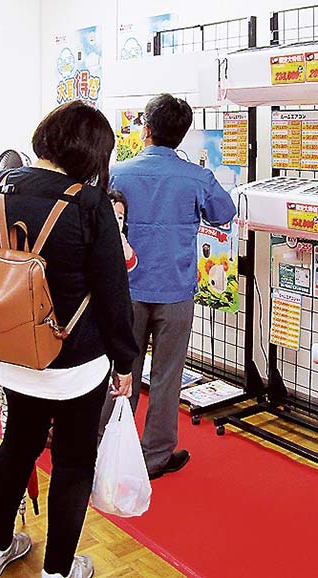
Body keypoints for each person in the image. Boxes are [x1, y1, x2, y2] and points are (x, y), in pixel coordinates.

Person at [0, 101, 139, 578]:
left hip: (12, 347)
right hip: (74, 358)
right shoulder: (88, 203)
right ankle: (59, 571)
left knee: (17, 444)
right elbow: (112, 291)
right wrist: (126, 362)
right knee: (72, 460)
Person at [100, 94, 237, 479]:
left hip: (126, 287)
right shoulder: (197, 177)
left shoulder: (118, 173)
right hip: (175, 289)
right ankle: (155, 455)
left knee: (119, 368)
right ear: (182, 136)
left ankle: (98, 442)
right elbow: (224, 212)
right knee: (167, 375)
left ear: (145, 129)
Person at [107, 188, 138, 272]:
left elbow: (131, 262)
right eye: (112, 215)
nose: (116, 221)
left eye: (120, 217)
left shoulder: (121, 240)